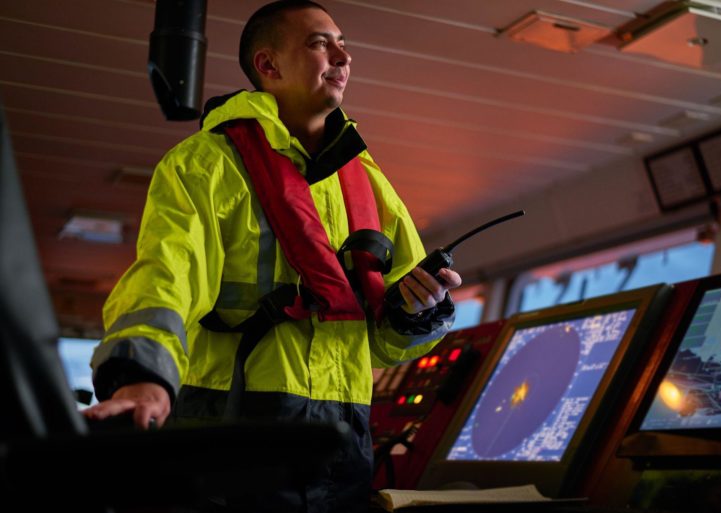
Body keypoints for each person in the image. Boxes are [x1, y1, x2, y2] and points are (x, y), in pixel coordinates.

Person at [84, 1, 461, 511]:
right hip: (229, 436)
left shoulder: (371, 185)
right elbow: (165, 278)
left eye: (343, 42)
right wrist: (141, 380)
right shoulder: (204, 164)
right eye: (320, 43)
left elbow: (385, 342)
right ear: (268, 66)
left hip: (342, 447)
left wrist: (420, 309)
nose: (343, 55)